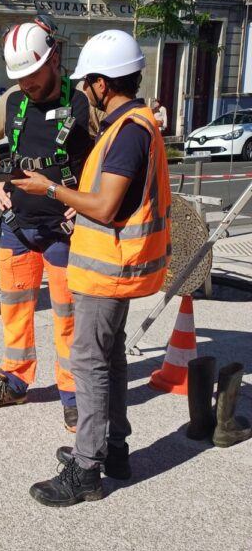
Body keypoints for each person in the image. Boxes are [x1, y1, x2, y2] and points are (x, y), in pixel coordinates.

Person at [13, 29, 171, 506]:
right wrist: (76, 204)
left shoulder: (127, 133)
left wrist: (53, 191)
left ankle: (86, 471)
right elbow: (109, 203)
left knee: (89, 362)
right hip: (117, 264)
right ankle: (113, 450)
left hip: (109, 269)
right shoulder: (135, 124)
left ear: (103, 84)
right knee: (111, 357)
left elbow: (104, 207)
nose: (83, 91)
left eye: (87, 84)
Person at [0, 18, 97, 432]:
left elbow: (107, 155)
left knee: (68, 318)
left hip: (66, 230)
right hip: (18, 227)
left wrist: (89, 200)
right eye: (19, 76)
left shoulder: (84, 102)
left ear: (54, 60)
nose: (26, 83)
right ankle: (15, 380)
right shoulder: (11, 99)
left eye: (32, 73)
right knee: (14, 311)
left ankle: (73, 394)